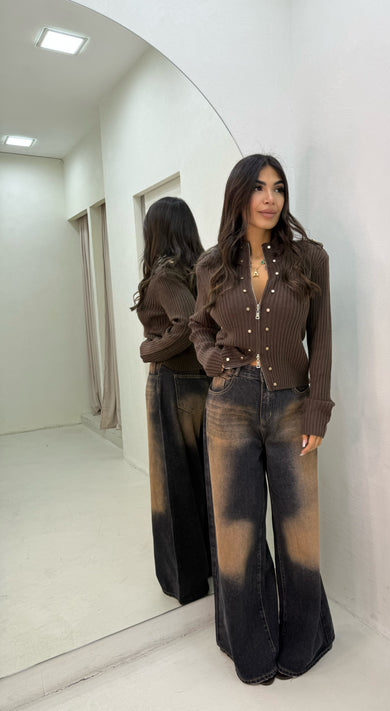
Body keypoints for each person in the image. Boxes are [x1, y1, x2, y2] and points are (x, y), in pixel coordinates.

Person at [189, 154, 335, 684]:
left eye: (279, 188)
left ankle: (306, 641)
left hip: (292, 404)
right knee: (237, 533)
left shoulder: (309, 258)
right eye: (259, 188)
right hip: (229, 404)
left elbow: (321, 337)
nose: (270, 198)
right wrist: (211, 359)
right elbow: (198, 326)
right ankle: (249, 648)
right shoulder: (211, 266)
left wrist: (317, 407)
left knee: (299, 531)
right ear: (239, 196)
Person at [132, 197, 211, 605]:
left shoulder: (164, 276)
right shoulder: (202, 270)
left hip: (172, 383)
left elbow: (185, 325)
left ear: (156, 232)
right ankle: (211, 567)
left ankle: (187, 583)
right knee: (204, 481)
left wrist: (150, 350)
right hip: (203, 385)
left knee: (172, 485)